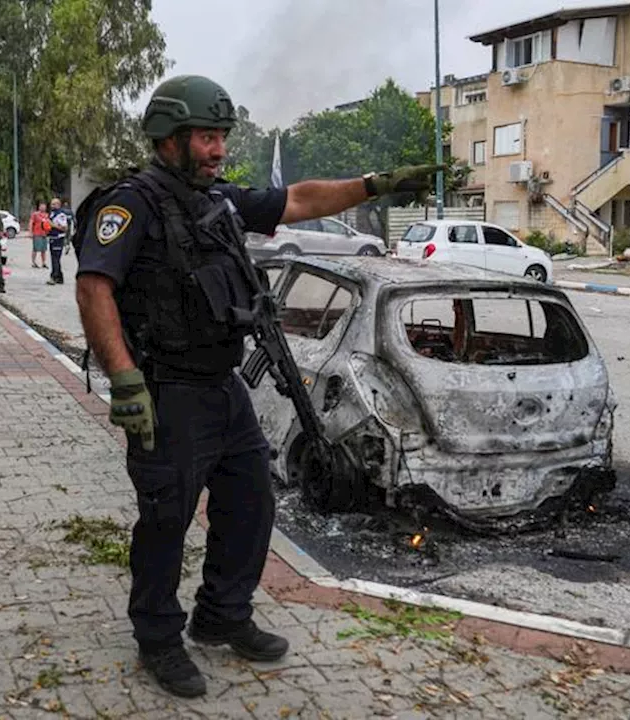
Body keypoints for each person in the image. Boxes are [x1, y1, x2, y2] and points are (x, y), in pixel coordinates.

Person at [73, 74, 440, 698]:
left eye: (221, 137)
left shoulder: (218, 199)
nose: (218, 150)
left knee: (251, 504)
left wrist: (375, 184)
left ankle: (222, 615)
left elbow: (296, 200)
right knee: (167, 518)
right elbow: (93, 286)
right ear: (169, 139)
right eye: (206, 138)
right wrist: (125, 381)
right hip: (167, 391)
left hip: (223, 387)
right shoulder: (131, 204)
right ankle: (158, 637)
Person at [46, 197, 70, 285]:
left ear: (58, 205)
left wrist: (52, 225)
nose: (51, 206)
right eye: (51, 204)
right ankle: (60, 277)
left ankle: (54, 277)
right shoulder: (52, 214)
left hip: (58, 238)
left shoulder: (61, 215)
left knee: (55, 258)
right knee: (54, 258)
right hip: (52, 238)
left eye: (53, 204)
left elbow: (64, 228)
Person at [29, 202, 50, 268]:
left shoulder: (47, 215)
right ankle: (33, 262)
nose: (43, 208)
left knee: (43, 249)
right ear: (39, 207)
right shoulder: (35, 214)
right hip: (37, 233)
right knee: (35, 248)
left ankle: (43, 262)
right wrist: (30, 232)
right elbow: (31, 222)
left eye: (44, 206)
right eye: (42, 206)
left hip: (44, 234)